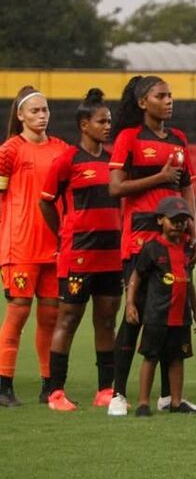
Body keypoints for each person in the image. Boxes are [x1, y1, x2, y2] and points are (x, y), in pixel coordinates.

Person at [107, 75, 196, 416]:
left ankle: (168, 397)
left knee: (172, 316)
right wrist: (159, 178)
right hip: (139, 242)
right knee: (136, 316)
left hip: (175, 243)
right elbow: (116, 188)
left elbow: (189, 188)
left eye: (170, 95)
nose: (169, 100)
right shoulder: (128, 138)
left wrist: (191, 227)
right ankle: (118, 394)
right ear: (142, 102)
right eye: (161, 96)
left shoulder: (179, 139)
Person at [39, 89, 122, 411]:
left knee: (105, 321)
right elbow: (45, 202)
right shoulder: (68, 160)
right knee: (69, 318)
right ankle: (56, 392)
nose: (107, 126)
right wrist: (62, 233)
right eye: (102, 121)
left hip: (111, 255)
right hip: (79, 255)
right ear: (84, 124)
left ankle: (105, 389)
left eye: (110, 121)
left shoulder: (114, 161)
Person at [0, 86, 68, 406]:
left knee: (50, 317)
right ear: (21, 115)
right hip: (21, 246)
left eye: (45, 110)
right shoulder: (10, 151)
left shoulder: (62, 150)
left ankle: (48, 386)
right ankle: (4, 385)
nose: (42, 116)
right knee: (18, 313)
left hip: (53, 247)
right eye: (35, 111)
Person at [126, 196, 196, 416]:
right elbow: (137, 276)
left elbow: (189, 282)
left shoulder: (188, 249)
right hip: (156, 315)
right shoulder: (152, 248)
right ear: (160, 220)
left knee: (177, 358)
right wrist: (130, 303)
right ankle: (143, 403)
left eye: (183, 220)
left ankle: (177, 402)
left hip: (181, 316)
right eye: (174, 220)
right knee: (150, 357)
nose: (178, 225)